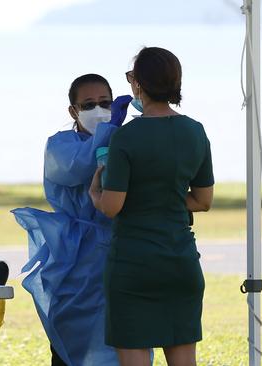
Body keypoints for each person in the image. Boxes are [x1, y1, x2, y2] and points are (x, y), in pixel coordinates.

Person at [89, 47, 214, 366]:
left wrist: (96, 193)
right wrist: (165, 197)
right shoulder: (195, 131)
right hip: (180, 261)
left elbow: (113, 205)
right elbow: (203, 200)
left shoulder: (127, 137)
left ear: (139, 85)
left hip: (134, 265)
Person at [11, 74, 131, 366]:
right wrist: (110, 129)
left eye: (105, 103)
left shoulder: (125, 140)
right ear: (73, 111)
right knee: (73, 343)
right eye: (88, 104)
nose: (99, 110)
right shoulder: (60, 145)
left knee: (124, 341)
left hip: (120, 253)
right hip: (74, 259)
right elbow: (80, 166)